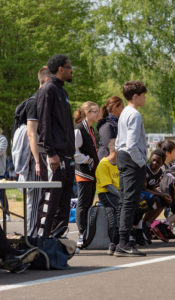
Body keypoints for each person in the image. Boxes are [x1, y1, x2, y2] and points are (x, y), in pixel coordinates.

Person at [36, 54, 75, 238]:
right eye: (69, 67)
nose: (71, 70)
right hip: (54, 156)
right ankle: (41, 243)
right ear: (60, 68)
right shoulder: (48, 90)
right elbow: (43, 123)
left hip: (67, 156)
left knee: (64, 204)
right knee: (50, 201)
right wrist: (51, 153)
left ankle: (56, 244)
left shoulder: (62, 92)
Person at [11, 66, 51, 236]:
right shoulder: (35, 102)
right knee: (34, 199)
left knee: (37, 198)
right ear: (47, 81)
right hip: (32, 157)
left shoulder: (40, 101)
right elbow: (31, 134)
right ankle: (31, 238)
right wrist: (36, 161)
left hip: (35, 156)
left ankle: (33, 236)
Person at [114, 80, 148, 257]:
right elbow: (133, 144)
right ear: (135, 96)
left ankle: (117, 241)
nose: (144, 98)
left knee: (123, 200)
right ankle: (124, 242)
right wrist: (141, 161)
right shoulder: (134, 114)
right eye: (143, 95)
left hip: (122, 156)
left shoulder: (125, 112)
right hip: (131, 159)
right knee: (129, 201)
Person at [73, 101, 101, 248]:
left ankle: (87, 233)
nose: (98, 114)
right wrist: (88, 159)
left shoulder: (90, 129)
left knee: (89, 203)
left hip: (91, 172)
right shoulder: (79, 129)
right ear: (87, 113)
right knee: (83, 204)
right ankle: (81, 233)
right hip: (83, 172)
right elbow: (74, 152)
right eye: (95, 111)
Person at [95, 139, 120, 254]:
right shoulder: (104, 164)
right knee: (117, 211)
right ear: (116, 151)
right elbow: (108, 186)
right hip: (106, 193)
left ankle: (132, 235)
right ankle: (114, 243)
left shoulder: (119, 164)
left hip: (117, 193)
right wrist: (122, 196)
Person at [97, 96, 125, 160]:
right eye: (122, 107)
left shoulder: (117, 123)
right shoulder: (107, 125)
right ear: (115, 107)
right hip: (107, 162)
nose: (124, 110)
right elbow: (110, 147)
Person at [0, 130, 8, 219]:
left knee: (1, 195)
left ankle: (7, 214)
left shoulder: (2, 139)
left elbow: (0, 151)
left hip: (0, 172)